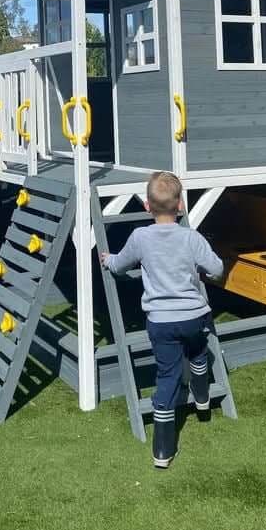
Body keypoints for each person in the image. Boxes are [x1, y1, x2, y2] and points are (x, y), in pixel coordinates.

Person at [100, 170, 224, 469]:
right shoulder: (190, 237)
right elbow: (217, 268)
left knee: (167, 376)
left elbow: (118, 265)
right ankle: (203, 396)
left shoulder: (140, 237)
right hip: (194, 316)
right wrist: (201, 272)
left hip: (161, 321)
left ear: (146, 206)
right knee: (197, 349)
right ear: (180, 205)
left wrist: (108, 259)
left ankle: (163, 449)